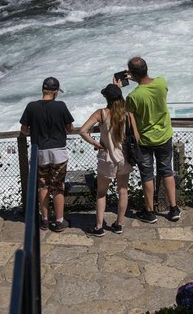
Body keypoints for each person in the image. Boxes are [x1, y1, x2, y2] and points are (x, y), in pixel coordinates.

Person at [117, 56, 180, 223]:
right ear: (146, 68)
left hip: (144, 141)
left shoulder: (133, 96)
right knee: (166, 170)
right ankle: (174, 208)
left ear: (130, 73)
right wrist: (136, 76)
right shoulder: (161, 83)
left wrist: (120, 85)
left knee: (147, 175)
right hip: (164, 136)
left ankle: (150, 211)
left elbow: (128, 116)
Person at [79, 84, 137, 236]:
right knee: (123, 191)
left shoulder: (102, 113)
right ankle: (118, 224)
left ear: (106, 98)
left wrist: (97, 144)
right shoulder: (127, 114)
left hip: (107, 159)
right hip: (124, 158)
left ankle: (99, 227)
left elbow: (83, 131)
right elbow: (136, 137)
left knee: (101, 193)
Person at [20, 77, 74, 232]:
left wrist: (34, 132)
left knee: (43, 186)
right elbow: (69, 128)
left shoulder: (31, 106)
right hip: (58, 152)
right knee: (58, 187)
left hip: (40, 152)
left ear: (43, 90)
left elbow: (24, 129)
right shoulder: (60, 106)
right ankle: (58, 221)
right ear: (55, 92)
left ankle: (44, 220)